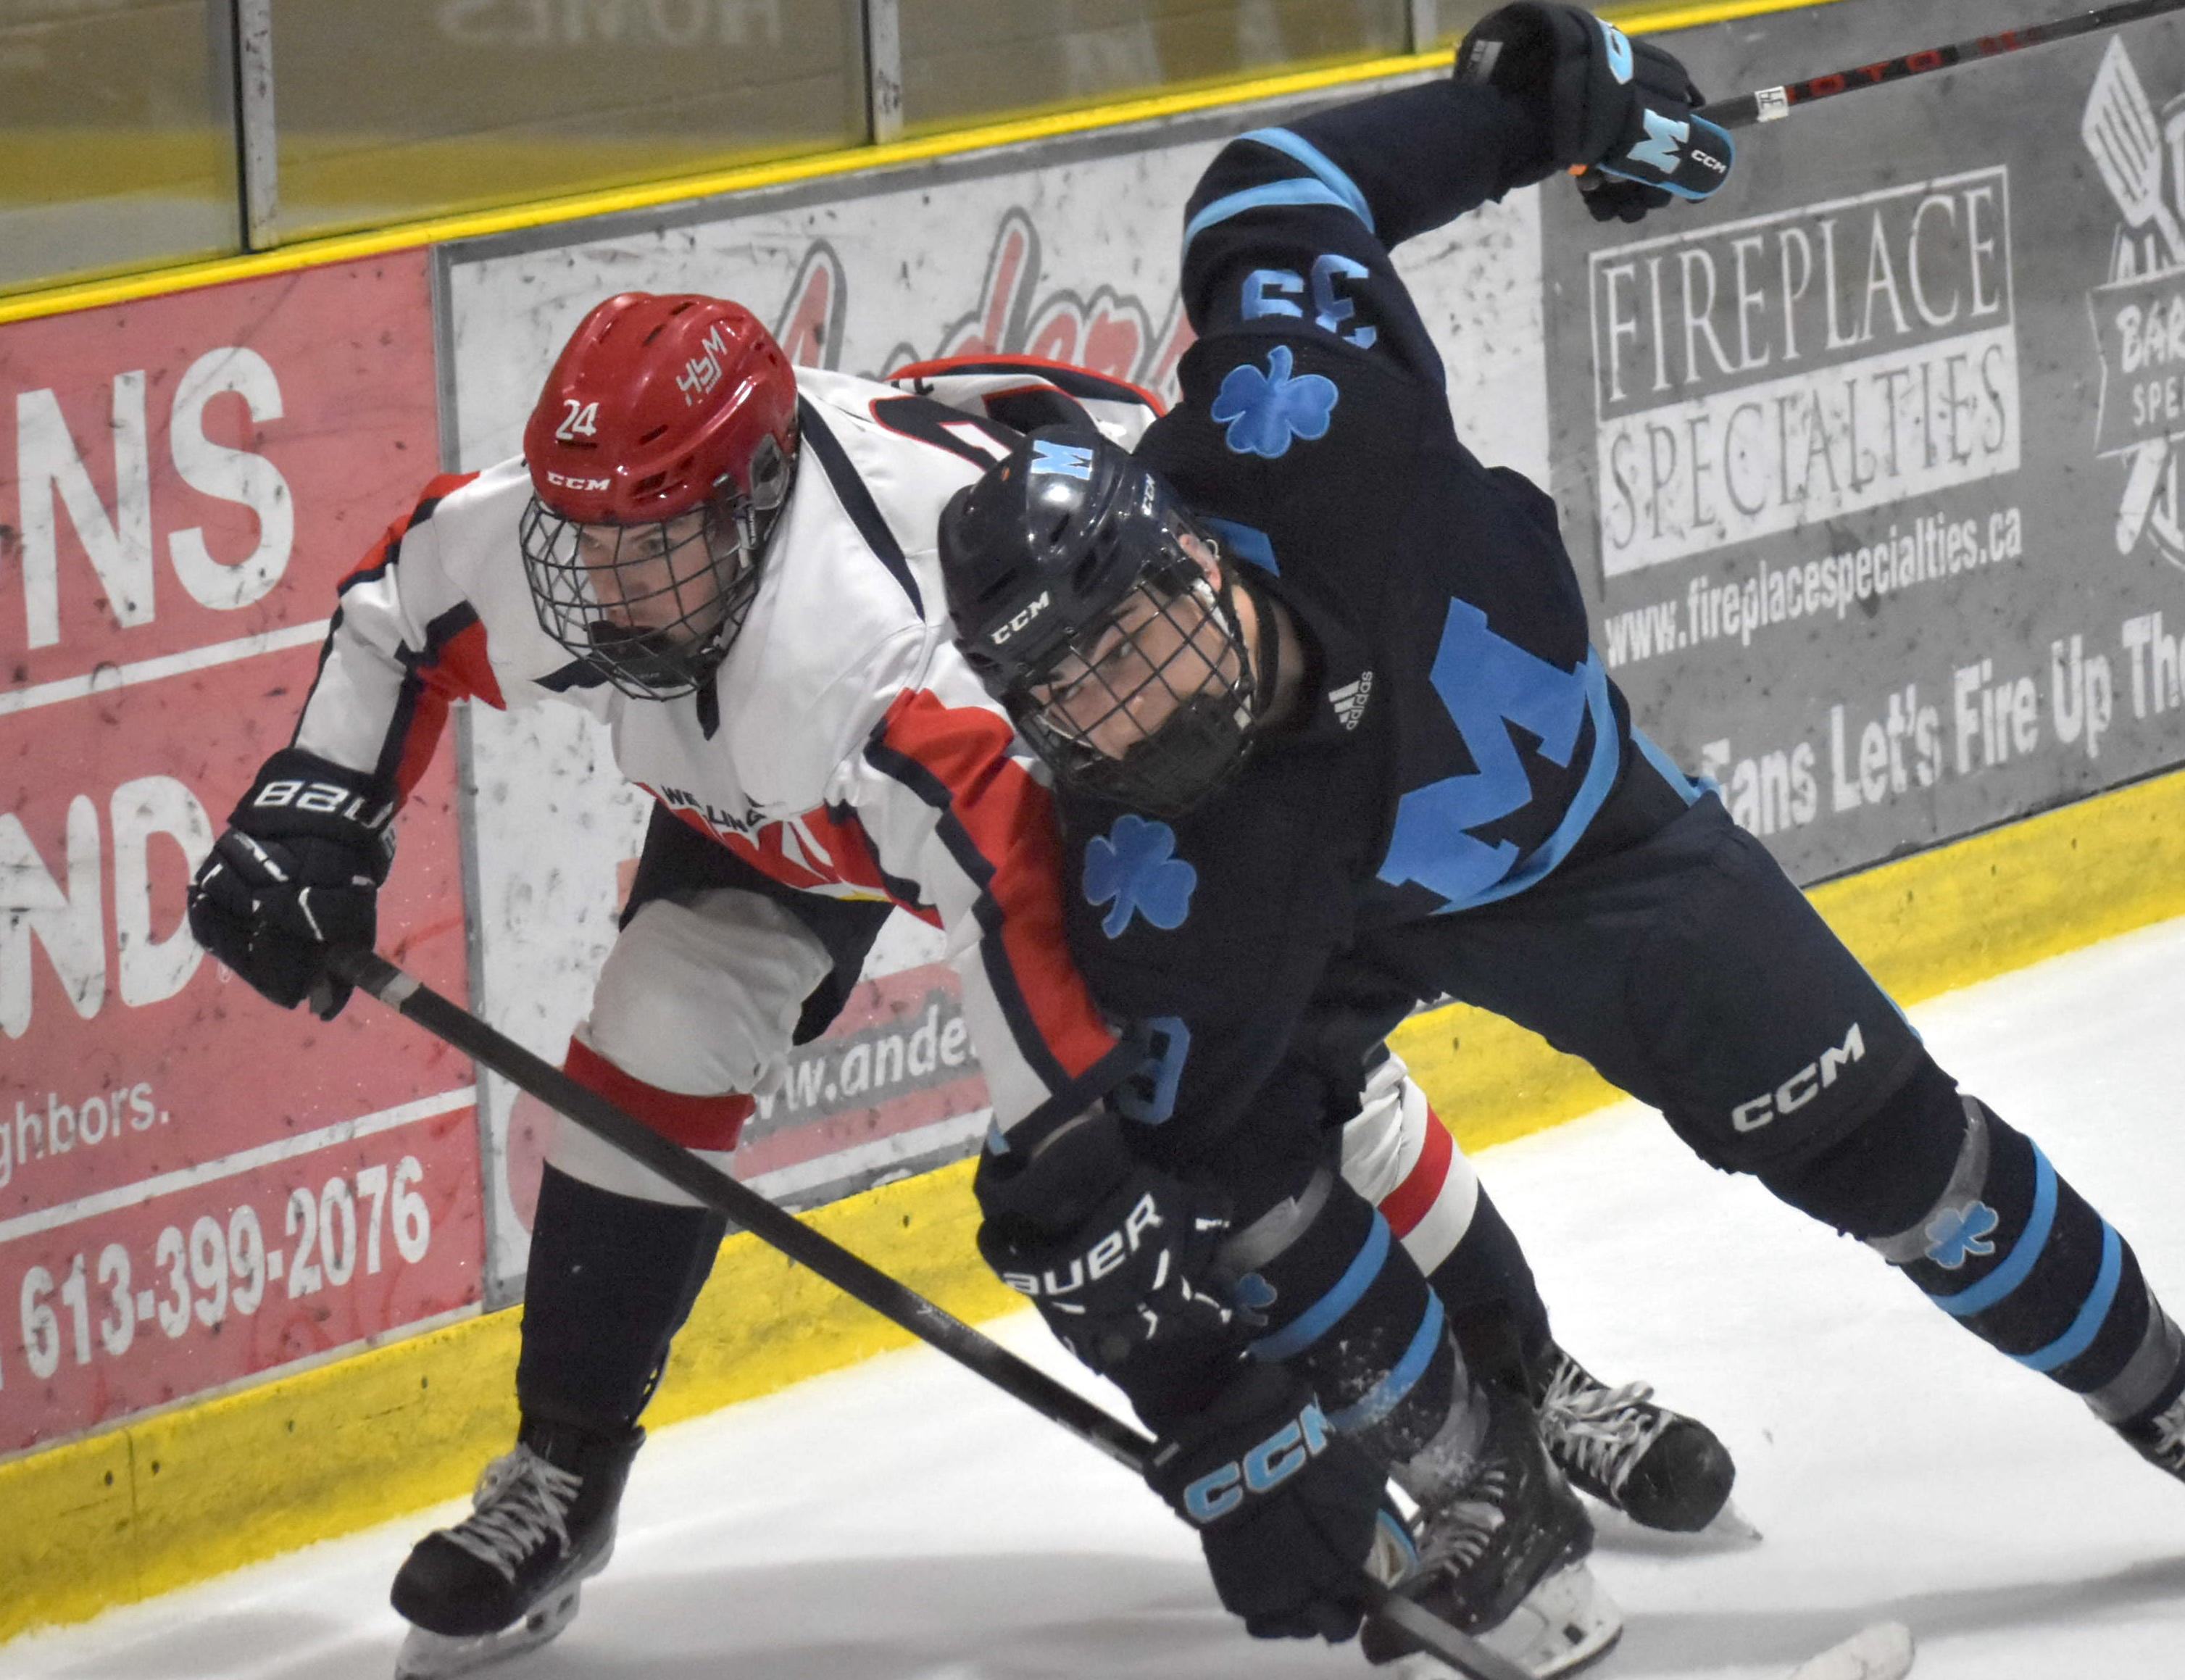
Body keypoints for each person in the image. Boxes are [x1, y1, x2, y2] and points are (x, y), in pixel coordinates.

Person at [183, 294, 1723, 1679]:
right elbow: (394, 608)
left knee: (1267, 1098)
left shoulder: (874, 658)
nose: (605, 587)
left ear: (754, 496)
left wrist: (1182, 1362)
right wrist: (316, 804)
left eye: (649, 546)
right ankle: (562, 1476)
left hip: (1089, 749)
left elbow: (1032, 1003)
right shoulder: (592, 537)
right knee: (659, 1009)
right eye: (589, 540)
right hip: (797, 801)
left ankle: (1527, 1383)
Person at [935, 4, 2185, 1675]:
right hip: (1324, 920)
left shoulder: (1296, 413)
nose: (1135, 706)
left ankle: (2165, 1399)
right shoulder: (1155, 881)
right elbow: (1157, 1185)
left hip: (1601, 860)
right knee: (1245, 1177)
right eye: (1077, 698)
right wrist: (1231, 1425)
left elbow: (1268, 183)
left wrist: (1545, 115)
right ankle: (1483, 1495)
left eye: (1138, 634)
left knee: (1903, 1164)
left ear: (1186, 545)